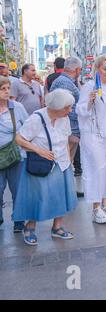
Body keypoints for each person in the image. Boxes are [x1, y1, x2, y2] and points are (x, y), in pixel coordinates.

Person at [13, 89, 78, 246]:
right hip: (41, 165)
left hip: (62, 163)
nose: (70, 110)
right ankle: (30, 227)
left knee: (61, 195)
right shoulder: (37, 118)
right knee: (38, 197)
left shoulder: (64, 118)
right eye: (67, 107)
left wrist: (69, 160)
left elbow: (66, 139)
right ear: (57, 107)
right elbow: (19, 139)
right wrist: (39, 150)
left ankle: (57, 227)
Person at [77, 54, 106, 224]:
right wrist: (89, 101)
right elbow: (80, 110)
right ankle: (96, 207)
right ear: (97, 68)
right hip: (94, 134)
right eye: (105, 69)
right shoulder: (89, 86)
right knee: (97, 168)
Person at [0, 76, 28, 232]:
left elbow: (28, 126)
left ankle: (18, 220)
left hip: (16, 156)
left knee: (17, 189)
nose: (6, 92)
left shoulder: (16, 107)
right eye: (2, 89)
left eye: (7, 88)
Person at [49, 57, 83, 164]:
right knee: (64, 163)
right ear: (77, 70)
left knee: (66, 162)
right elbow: (65, 109)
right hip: (68, 131)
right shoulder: (65, 83)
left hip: (68, 130)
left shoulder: (67, 81)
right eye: (80, 69)